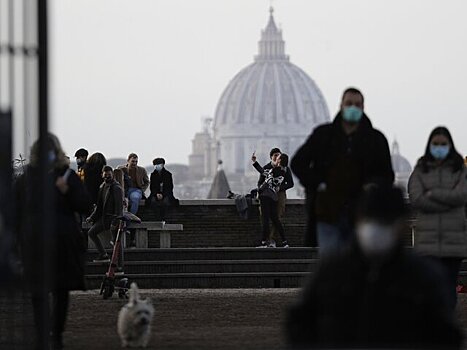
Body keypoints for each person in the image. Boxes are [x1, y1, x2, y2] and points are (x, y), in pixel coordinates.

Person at [287, 186, 463, 349]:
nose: (376, 228)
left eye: (384, 220)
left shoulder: (423, 276)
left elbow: (445, 335)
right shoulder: (331, 270)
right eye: (371, 219)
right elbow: (301, 323)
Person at [291, 87, 394, 257]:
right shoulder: (323, 135)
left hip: (362, 213)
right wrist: (319, 184)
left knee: (358, 267)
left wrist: (373, 187)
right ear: (341, 105)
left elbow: (386, 175)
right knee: (331, 267)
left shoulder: (376, 139)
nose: (353, 108)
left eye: (357, 104)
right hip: (328, 212)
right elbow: (297, 163)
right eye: (349, 104)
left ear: (363, 107)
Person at [15, 134, 92, 349]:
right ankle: (44, 333)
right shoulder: (29, 178)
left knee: (59, 289)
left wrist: (67, 191)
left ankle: (55, 333)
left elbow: (85, 205)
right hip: (42, 240)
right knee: (41, 290)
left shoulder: (65, 176)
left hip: (58, 241)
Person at [408, 126, 467, 310]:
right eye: (436, 144)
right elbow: (416, 197)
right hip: (428, 242)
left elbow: (462, 196)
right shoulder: (420, 169)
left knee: (449, 290)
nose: (439, 147)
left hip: (452, 243)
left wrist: (432, 194)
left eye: (443, 144)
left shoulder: (459, 169)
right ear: (429, 145)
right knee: (430, 289)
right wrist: (448, 199)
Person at [86, 166, 124, 265]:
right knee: (91, 232)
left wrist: (115, 222)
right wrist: (92, 217)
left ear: (113, 175)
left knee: (117, 243)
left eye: (109, 175)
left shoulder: (116, 188)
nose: (107, 177)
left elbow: (119, 208)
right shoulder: (102, 186)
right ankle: (103, 254)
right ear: (102, 175)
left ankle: (120, 265)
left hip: (113, 218)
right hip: (104, 218)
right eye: (105, 175)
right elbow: (99, 206)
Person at [252, 152, 289, 248]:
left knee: (265, 220)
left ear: (280, 161)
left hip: (265, 197)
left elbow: (264, 175)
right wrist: (255, 162)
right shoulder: (283, 171)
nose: (276, 158)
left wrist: (259, 191)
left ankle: (264, 242)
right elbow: (264, 172)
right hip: (274, 197)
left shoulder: (273, 171)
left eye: (278, 157)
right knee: (276, 220)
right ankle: (285, 242)